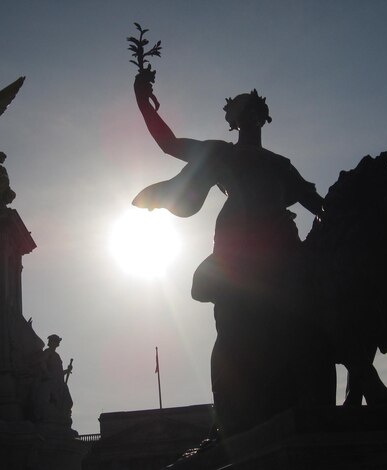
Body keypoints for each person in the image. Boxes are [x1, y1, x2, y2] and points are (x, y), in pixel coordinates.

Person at [133, 74, 326, 437]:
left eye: (252, 109)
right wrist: (143, 102)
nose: (247, 115)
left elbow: (318, 204)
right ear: (234, 120)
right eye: (241, 110)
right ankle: (231, 413)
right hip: (238, 247)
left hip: (281, 244)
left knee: (313, 308)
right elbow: (169, 144)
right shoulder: (223, 153)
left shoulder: (280, 164)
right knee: (235, 328)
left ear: (262, 116)